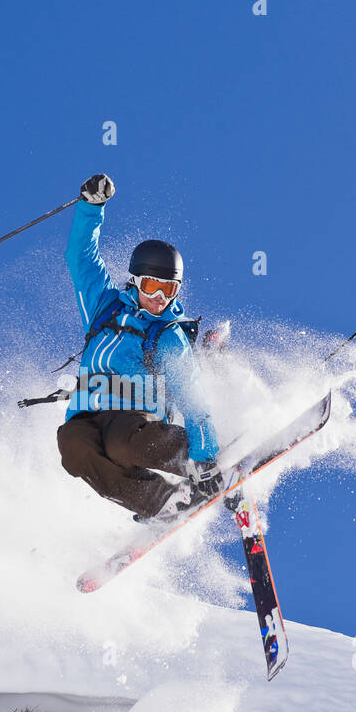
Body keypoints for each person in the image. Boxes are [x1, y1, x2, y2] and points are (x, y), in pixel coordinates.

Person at [56, 174, 225, 522]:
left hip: (138, 417)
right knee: (72, 446)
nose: (159, 298)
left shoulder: (167, 334)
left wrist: (205, 453)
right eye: (151, 286)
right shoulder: (105, 307)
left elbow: (190, 393)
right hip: (90, 413)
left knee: (122, 440)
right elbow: (81, 259)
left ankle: (189, 459)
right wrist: (91, 207)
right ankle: (158, 501)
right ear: (134, 281)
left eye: (169, 290)